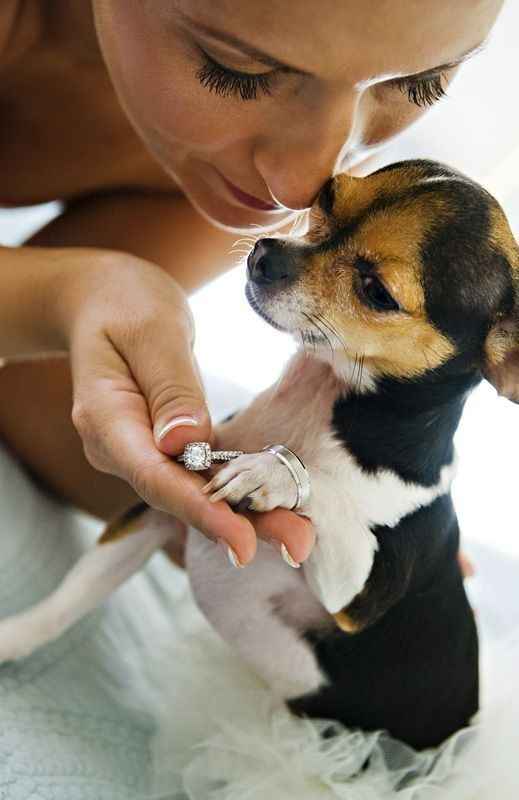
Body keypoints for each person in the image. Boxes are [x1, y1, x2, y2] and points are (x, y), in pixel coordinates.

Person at [0, 0, 503, 570]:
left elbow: (33, 387)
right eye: (238, 69)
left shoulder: (279, 168)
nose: (306, 185)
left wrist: (230, 514)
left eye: (421, 83)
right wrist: (65, 293)